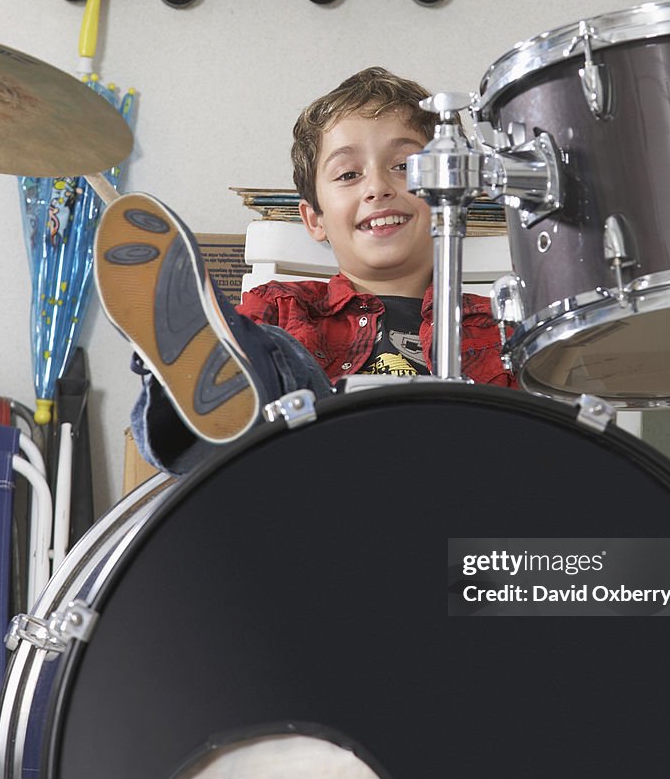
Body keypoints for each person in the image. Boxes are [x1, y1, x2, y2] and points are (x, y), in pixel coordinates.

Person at [95, 66, 514, 475]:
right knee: (278, 362)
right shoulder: (285, 307)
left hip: (458, 487)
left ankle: (215, 356)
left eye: (404, 166)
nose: (378, 187)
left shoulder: (497, 324)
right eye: (349, 174)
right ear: (314, 219)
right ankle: (199, 365)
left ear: (451, 195)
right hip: (311, 481)